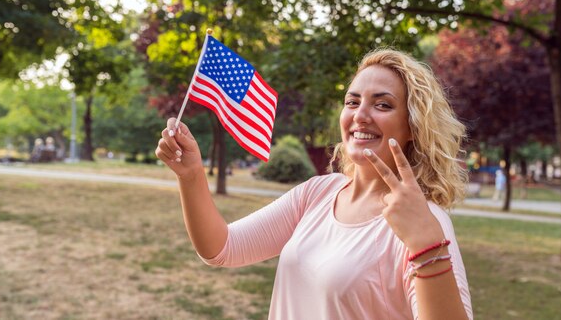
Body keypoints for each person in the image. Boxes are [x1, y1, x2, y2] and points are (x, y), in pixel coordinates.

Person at [155, 48, 473, 320]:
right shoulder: (319, 192)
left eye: (383, 104)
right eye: (352, 102)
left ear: (412, 127)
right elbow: (222, 248)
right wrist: (192, 176)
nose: (360, 115)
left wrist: (427, 246)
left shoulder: (425, 221)